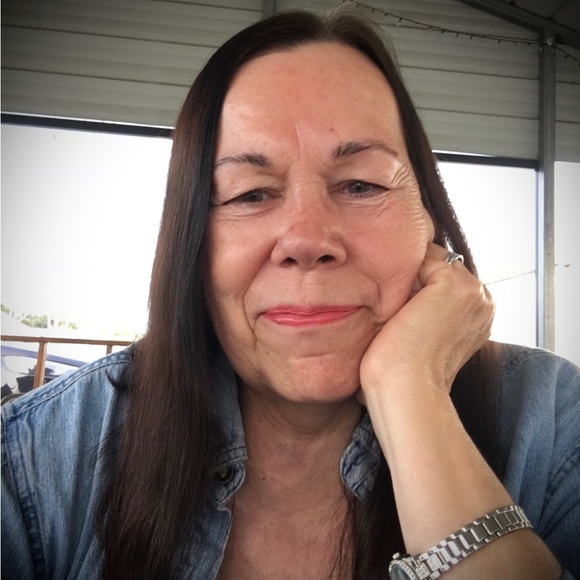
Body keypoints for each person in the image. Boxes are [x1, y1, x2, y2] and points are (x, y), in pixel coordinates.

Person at [2, 8, 579, 580]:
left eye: (361, 185)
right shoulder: (34, 461)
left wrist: (411, 389)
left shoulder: (554, 424)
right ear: (191, 241)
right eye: (250, 194)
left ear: (428, 222)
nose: (307, 240)